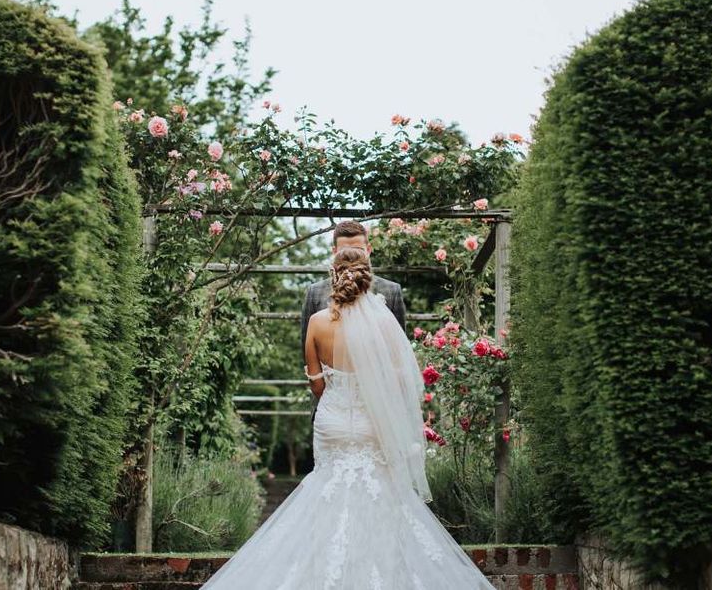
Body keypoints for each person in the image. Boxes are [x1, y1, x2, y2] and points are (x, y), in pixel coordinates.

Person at [200, 247, 496, 589]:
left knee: (326, 494)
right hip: (371, 423)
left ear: (334, 274)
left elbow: (316, 385)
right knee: (382, 500)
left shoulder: (317, 323)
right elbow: (398, 381)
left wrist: (341, 396)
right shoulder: (384, 322)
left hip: (332, 421)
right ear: (367, 276)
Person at [300, 220, 406, 423]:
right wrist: (331, 402)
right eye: (344, 251)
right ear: (334, 252)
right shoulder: (315, 293)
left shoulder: (391, 291)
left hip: (379, 407)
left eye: (357, 250)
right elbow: (306, 353)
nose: (351, 258)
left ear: (369, 249)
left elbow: (398, 354)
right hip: (330, 404)